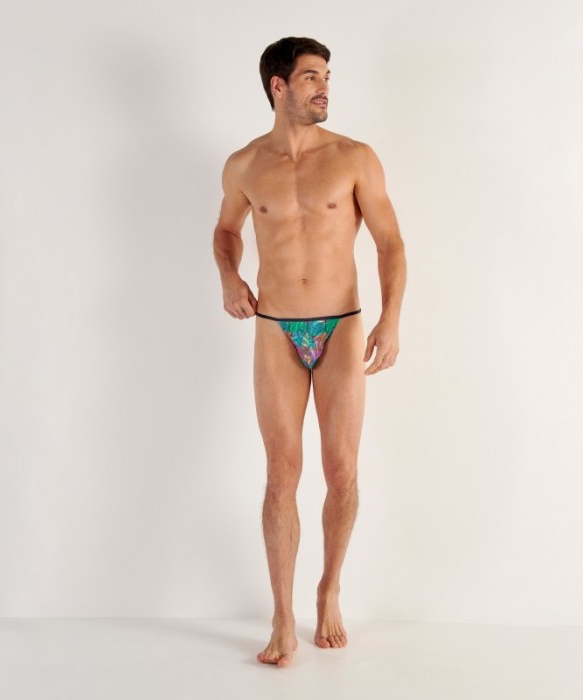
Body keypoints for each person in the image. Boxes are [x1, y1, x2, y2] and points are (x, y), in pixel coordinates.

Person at [213, 37, 406, 667]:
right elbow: (226, 229)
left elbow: (390, 243)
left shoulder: (353, 157)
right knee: (282, 474)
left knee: (342, 469)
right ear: (279, 86)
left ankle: (329, 590)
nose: (325, 88)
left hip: (342, 325)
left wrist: (390, 318)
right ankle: (280, 614)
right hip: (275, 328)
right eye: (311, 77)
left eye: (327, 77)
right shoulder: (245, 165)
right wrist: (229, 277)